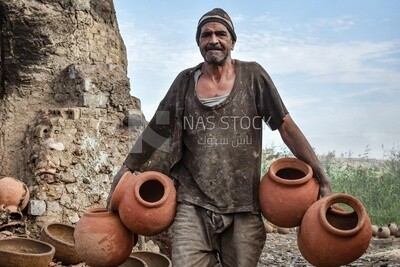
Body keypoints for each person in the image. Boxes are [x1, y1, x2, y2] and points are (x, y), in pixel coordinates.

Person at [107, 7, 332, 267]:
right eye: (206, 35)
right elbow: (158, 129)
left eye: (220, 34)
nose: (213, 39)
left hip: (243, 206)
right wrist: (127, 168)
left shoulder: (253, 78)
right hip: (192, 204)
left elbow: (286, 127)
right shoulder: (183, 83)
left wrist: (321, 177)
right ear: (199, 42)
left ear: (232, 41)